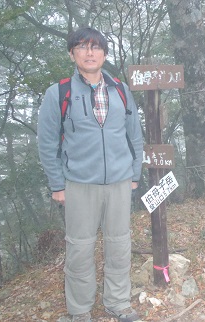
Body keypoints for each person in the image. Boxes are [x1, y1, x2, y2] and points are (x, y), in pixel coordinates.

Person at [37, 27, 143, 322]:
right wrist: (57, 184)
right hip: (79, 184)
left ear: (105, 54)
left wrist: (134, 174)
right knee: (80, 249)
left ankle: (118, 302)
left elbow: (134, 135)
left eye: (95, 47)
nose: (89, 53)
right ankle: (80, 311)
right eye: (82, 47)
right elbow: (47, 142)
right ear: (72, 53)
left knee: (120, 244)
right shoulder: (59, 93)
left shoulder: (120, 89)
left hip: (120, 181)